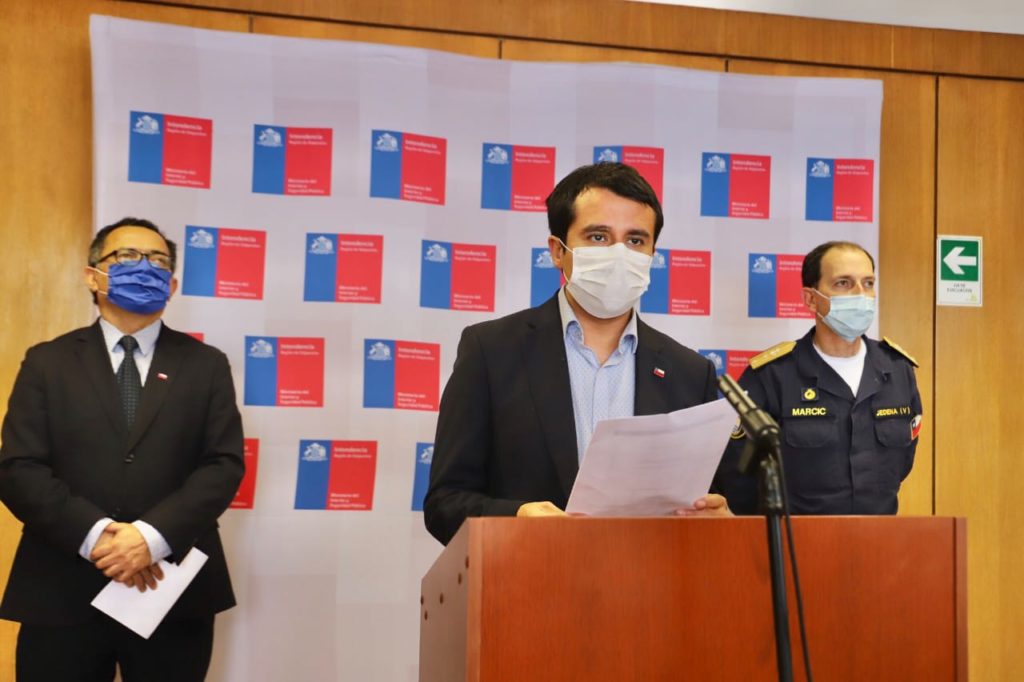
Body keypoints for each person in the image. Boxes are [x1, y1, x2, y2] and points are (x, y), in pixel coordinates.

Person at [423, 163, 726, 545]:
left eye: (635, 240)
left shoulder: (690, 373)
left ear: (652, 253)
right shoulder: (491, 351)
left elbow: (706, 502)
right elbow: (445, 503)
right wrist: (517, 517)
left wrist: (715, 518)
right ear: (557, 250)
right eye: (598, 237)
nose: (619, 254)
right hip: (530, 572)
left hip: (648, 579)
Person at [0, 217, 245, 681]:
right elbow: (20, 468)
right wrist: (99, 537)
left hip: (170, 591)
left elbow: (222, 465)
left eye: (158, 261)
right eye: (128, 257)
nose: (144, 267)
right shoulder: (47, 362)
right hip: (61, 588)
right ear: (92, 276)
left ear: (172, 285)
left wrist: (149, 539)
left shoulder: (207, 365)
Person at [715, 241, 922, 515]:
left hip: (878, 535)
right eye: (843, 283)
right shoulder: (772, 375)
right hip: (795, 537)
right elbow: (737, 473)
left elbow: (902, 462)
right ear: (811, 299)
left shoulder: (898, 370)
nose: (861, 294)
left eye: (868, 283)